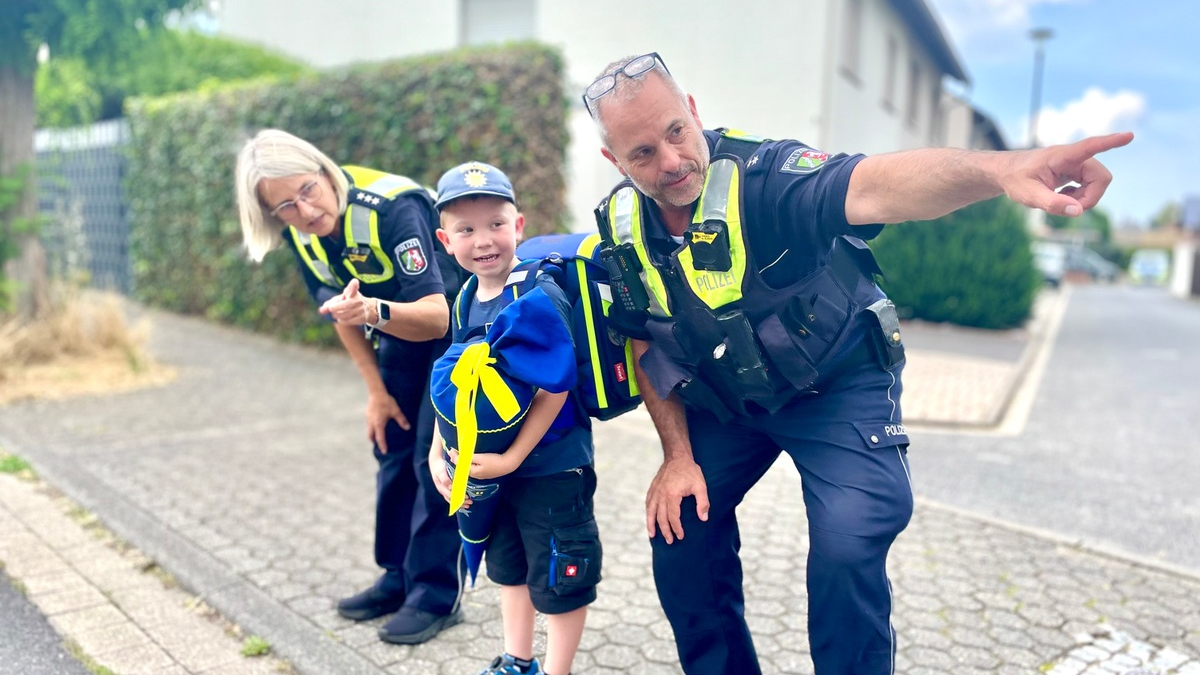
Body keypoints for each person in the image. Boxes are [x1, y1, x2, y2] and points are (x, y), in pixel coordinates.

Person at [581, 52, 1132, 675]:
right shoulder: (622, 229)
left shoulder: (767, 179)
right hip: (733, 401)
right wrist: (676, 457)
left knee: (846, 544)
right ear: (615, 163)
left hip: (838, 384)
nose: (672, 161)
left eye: (676, 132)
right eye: (643, 153)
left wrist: (998, 170)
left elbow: (877, 184)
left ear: (694, 113)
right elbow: (645, 342)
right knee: (678, 529)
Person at [234, 129, 465, 645]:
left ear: (322, 169)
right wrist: (376, 393)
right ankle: (397, 576)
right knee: (390, 447)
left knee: (434, 462)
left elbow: (435, 315)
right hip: (396, 336)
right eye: (286, 207)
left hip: (456, 338)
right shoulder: (302, 234)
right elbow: (340, 312)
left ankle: (435, 593)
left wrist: (374, 312)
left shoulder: (392, 207)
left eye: (307, 190)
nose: (305, 211)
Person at [427, 161, 601, 675]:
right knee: (510, 566)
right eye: (466, 229)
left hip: (551, 464)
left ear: (518, 226)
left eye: (496, 224)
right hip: (492, 467)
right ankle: (517, 660)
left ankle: (557, 670)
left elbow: (554, 385)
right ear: (446, 239)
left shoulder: (535, 293)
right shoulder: (463, 300)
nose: (484, 240)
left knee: (561, 572)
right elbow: (453, 384)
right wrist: (438, 451)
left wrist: (512, 457)